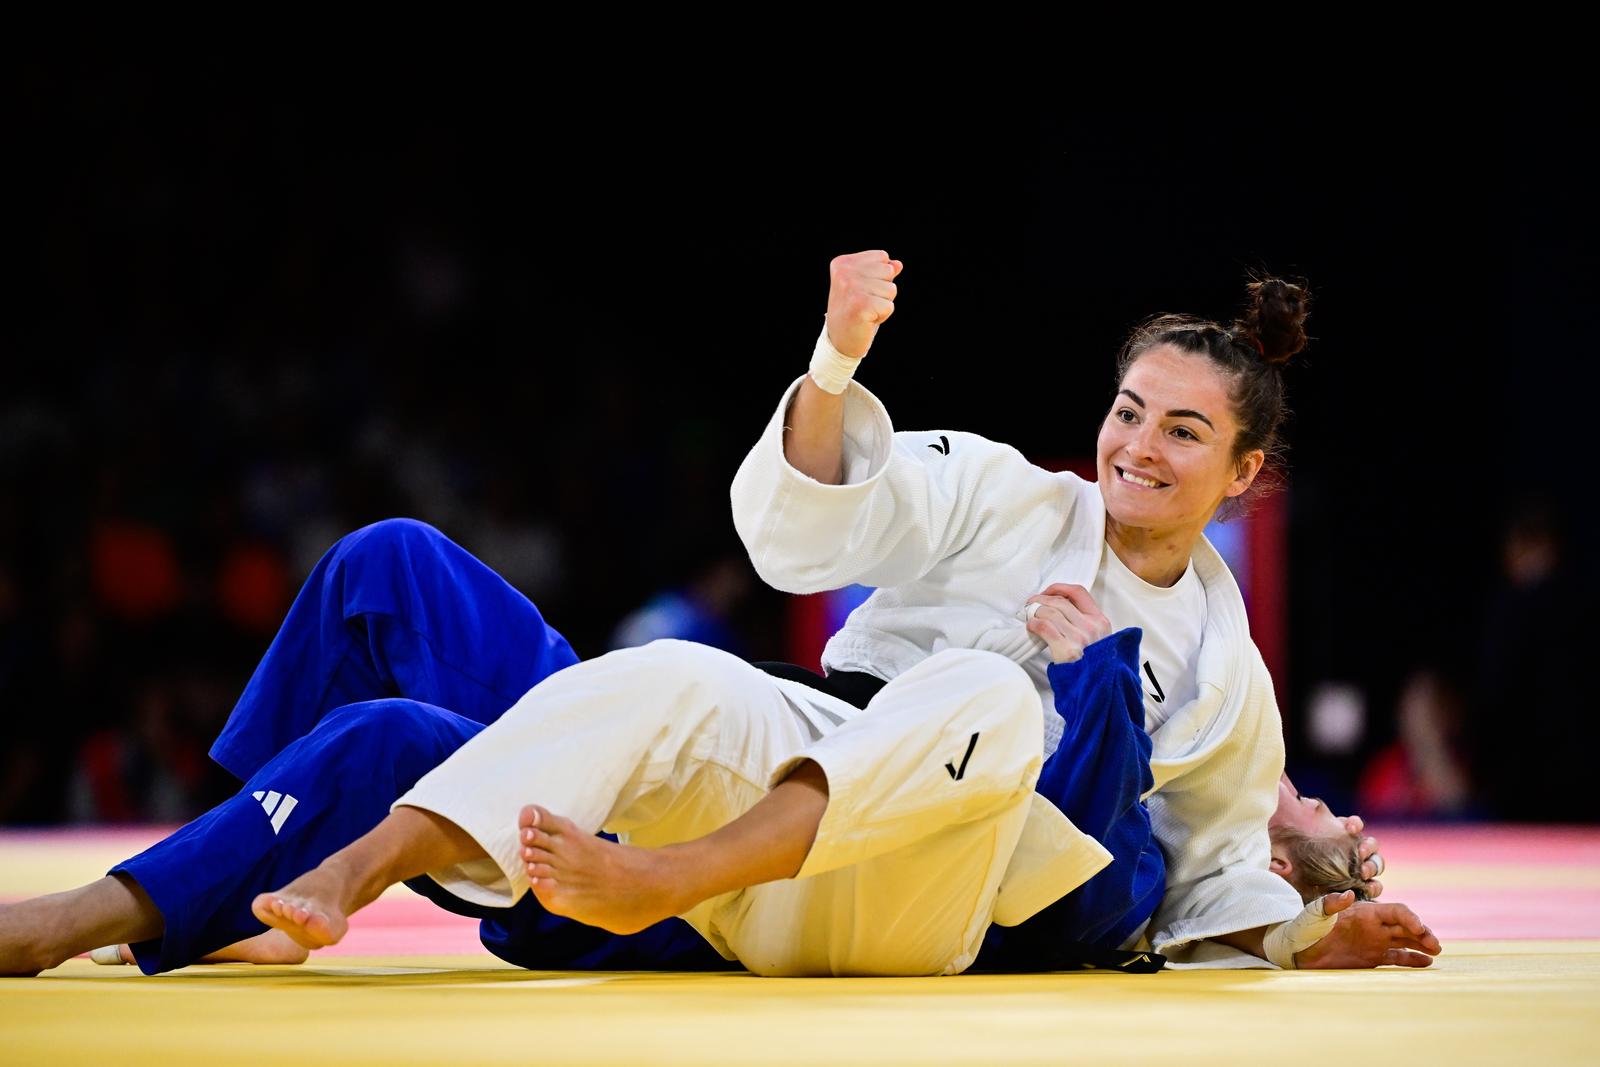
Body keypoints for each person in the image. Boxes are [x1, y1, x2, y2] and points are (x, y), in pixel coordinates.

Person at [236, 252, 1433, 974]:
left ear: (1244, 471)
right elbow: (817, 522)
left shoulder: (1227, 673)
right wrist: (833, 361)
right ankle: (254, 871)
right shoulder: (1007, 493)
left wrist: (1307, 933)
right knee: (388, 562)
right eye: (1129, 411)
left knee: (982, 705)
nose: (1137, 447)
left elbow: (1200, 874)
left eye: (1183, 431)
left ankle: (633, 868)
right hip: (779, 736)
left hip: (910, 859)